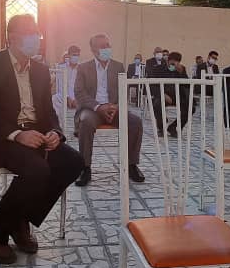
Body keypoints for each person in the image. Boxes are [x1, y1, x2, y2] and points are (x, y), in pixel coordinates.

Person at [0, 14, 83, 264]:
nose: (36, 38)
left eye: (37, 33)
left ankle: (18, 219)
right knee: (37, 169)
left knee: (74, 162)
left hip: (36, 134)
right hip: (3, 138)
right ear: (13, 38)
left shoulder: (40, 70)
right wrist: (18, 134)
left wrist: (55, 132)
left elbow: (48, 112)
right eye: (30, 33)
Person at [74, 33, 146, 186]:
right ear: (93, 50)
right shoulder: (83, 68)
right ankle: (85, 167)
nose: (107, 48)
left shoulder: (118, 66)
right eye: (103, 46)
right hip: (92, 109)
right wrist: (99, 107)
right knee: (85, 122)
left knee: (135, 122)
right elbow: (79, 93)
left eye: (108, 45)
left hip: (114, 108)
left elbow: (123, 90)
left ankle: (131, 165)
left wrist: (115, 107)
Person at [160, 51, 196, 138]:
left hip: (178, 96)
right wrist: (162, 94)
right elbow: (155, 85)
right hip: (164, 95)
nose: (174, 65)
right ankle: (160, 128)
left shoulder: (181, 69)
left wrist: (181, 73)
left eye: (176, 62)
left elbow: (186, 85)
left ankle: (174, 127)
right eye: (172, 63)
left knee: (191, 108)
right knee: (157, 104)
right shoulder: (161, 68)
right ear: (168, 61)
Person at [53, 44, 81, 123]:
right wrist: (67, 97)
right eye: (74, 55)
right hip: (63, 96)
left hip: (77, 98)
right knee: (55, 98)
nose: (76, 57)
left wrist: (75, 99)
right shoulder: (61, 68)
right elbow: (60, 86)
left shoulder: (82, 69)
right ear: (69, 55)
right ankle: (59, 124)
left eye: (78, 55)